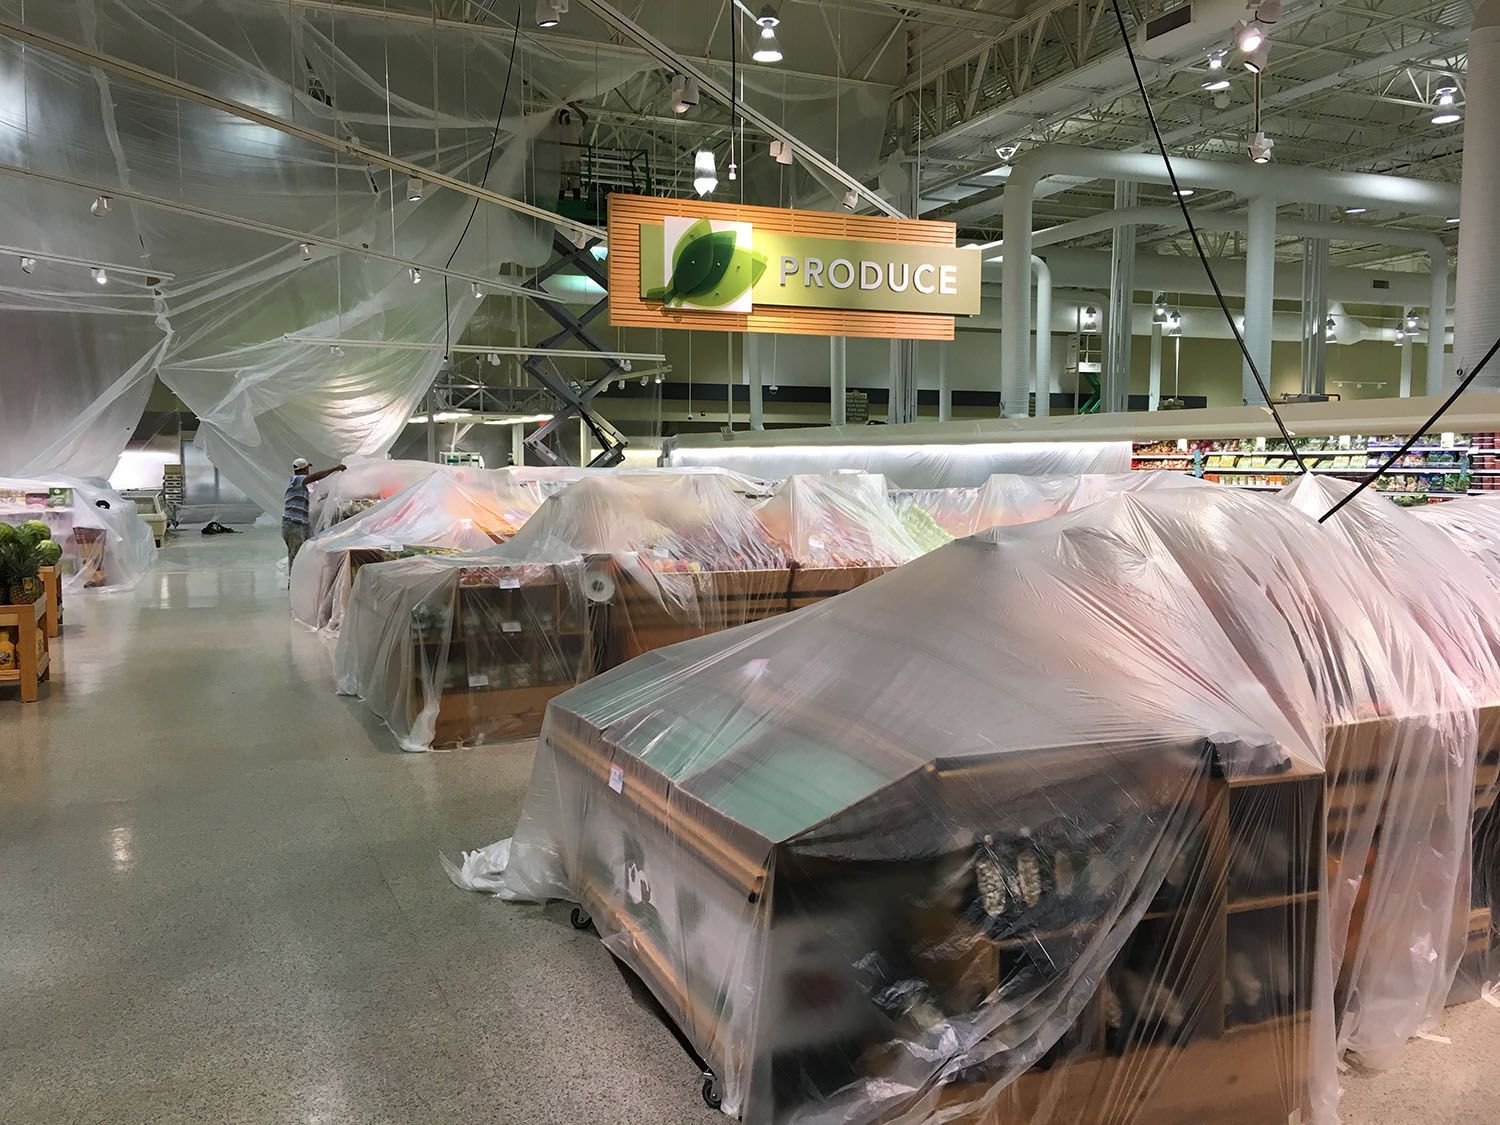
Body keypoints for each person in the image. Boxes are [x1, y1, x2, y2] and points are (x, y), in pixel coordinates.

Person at [282, 456, 345, 577]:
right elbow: (316, 477)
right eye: (307, 469)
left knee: (308, 549)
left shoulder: (300, 485)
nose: (308, 471)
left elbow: (312, 497)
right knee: (296, 555)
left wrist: (325, 497)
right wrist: (335, 469)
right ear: (303, 470)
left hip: (301, 523)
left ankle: (304, 578)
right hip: (293, 524)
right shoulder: (296, 480)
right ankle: (294, 582)